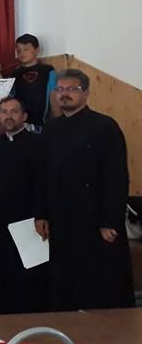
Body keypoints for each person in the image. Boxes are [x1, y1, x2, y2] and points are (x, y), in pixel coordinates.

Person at [38, 69, 134, 310]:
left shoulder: (105, 126)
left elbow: (116, 177)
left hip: (95, 218)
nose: (65, 94)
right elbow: (43, 175)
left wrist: (110, 221)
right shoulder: (51, 129)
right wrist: (42, 214)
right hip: (61, 217)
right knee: (64, 279)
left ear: (86, 93)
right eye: (60, 89)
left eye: (72, 89)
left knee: (99, 281)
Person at [0, 97, 49, 314]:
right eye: (4, 112)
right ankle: (4, 319)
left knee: (30, 272)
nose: (8, 116)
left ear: (24, 116)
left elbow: (43, 182)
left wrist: (41, 215)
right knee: (3, 271)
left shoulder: (38, 144)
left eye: (14, 111)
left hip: (30, 220)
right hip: (1, 219)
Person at [10, 34, 57, 132]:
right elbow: (11, 96)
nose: (22, 53)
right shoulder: (14, 73)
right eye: (19, 50)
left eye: (26, 49)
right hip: (19, 123)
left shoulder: (47, 70)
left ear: (37, 50)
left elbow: (53, 95)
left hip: (41, 123)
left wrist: (57, 119)